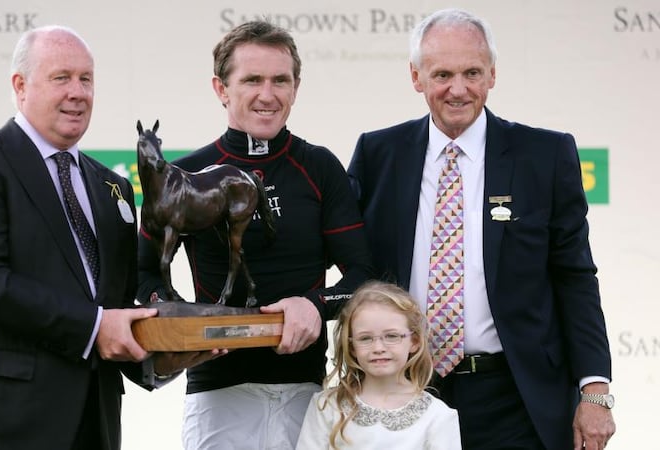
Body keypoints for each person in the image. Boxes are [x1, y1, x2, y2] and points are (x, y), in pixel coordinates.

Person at [347, 8, 616, 450]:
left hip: (516, 398)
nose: (458, 89)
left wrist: (596, 391)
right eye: (442, 74)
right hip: (403, 389)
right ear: (416, 77)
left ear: (492, 74)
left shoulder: (545, 155)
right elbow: (351, 263)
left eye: (472, 72)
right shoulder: (379, 154)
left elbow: (575, 277)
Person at [136, 20, 374, 449]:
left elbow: (363, 274)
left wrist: (315, 306)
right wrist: (178, 321)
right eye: (251, 80)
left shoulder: (320, 167)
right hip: (216, 393)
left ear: (296, 87)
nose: (268, 94)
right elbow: (141, 274)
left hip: (308, 394)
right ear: (221, 88)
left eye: (280, 80)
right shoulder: (183, 173)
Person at [0, 25, 158, 450]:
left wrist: (171, 346)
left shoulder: (115, 187)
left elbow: (118, 306)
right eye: (61, 78)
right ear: (20, 86)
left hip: (95, 424)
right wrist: (94, 327)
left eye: (86, 79)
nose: (78, 92)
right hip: (0, 425)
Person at [296, 281, 460, 449]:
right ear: (351, 346)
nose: (378, 348)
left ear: (415, 340)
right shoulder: (327, 406)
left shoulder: (438, 416)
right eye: (365, 338)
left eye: (391, 336)